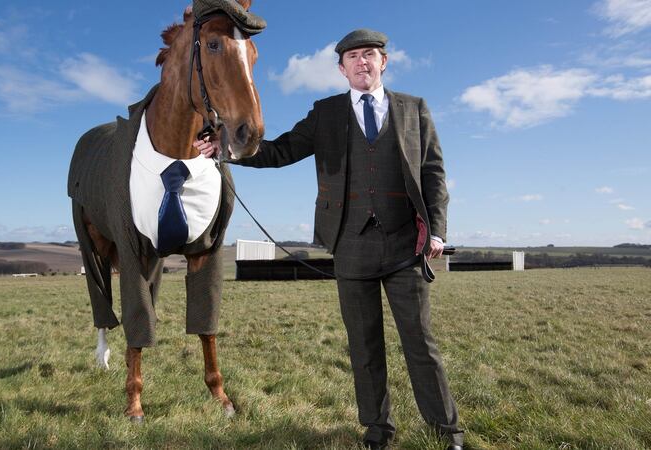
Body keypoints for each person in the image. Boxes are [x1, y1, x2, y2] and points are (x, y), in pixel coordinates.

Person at [195, 29, 463, 450]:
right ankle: (378, 431)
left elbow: (433, 173)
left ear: (384, 61)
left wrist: (438, 229)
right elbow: (281, 150)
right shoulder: (325, 113)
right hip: (350, 244)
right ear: (341, 68)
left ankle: (448, 433)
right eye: (353, 56)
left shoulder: (414, 109)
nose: (362, 62)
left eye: (370, 55)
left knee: (420, 344)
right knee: (364, 346)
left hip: (405, 245)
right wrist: (226, 149)